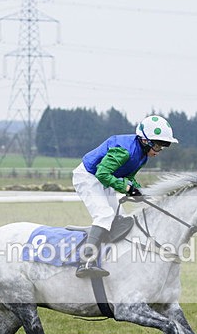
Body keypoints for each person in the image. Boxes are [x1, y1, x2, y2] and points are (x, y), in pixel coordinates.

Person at [72, 114, 178, 278]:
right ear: (145, 140)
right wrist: (126, 188)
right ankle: (85, 262)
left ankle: (112, 259)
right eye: (157, 146)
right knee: (105, 215)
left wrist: (139, 191)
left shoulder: (143, 156)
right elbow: (102, 173)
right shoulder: (125, 150)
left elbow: (128, 178)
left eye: (162, 148)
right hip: (88, 176)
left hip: (103, 178)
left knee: (122, 219)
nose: (159, 151)